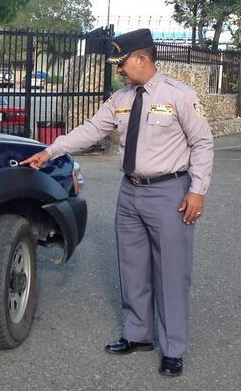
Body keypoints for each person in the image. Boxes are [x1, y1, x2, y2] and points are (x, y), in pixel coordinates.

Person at [20, 28, 213, 377]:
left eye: (121, 64)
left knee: (171, 271)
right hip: (131, 192)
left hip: (170, 191)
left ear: (141, 59)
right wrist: (50, 151)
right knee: (132, 265)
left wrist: (197, 190)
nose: (119, 70)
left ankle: (173, 348)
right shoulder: (121, 98)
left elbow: (202, 144)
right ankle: (138, 334)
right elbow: (92, 129)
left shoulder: (180, 95)